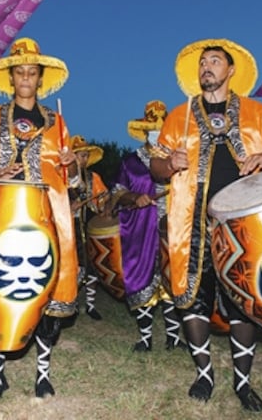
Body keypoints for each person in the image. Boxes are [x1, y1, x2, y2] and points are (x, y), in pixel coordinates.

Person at [149, 38, 262, 412]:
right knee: (192, 300)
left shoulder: (256, 112)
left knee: (243, 303)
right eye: (203, 62)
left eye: (215, 61)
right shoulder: (178, 116)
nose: (207, 67)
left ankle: (243, 381)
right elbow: (154, 168)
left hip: (242, 225)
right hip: (191, 223)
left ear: (230, 71)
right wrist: (169, 164)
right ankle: (204, 373)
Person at [0, 37, 79, 399]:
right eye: (20, 73)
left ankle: (43, 372)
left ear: (39, 79)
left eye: (32, 73)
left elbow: (73, 176)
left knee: (47, 288)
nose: (26, 78)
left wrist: (70, 162)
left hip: (51, 214)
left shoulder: (56, 120)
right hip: (2, 214)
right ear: (11, 79)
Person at [111, 100, 184, 352]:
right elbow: (117, 193)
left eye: (161, 128)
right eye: (152, 128)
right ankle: (145, 338)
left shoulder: (177, 160)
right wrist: (135, 198)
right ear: (145, 131)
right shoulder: (131, 162)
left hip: (173, 229)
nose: (157, 133)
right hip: (141, 228)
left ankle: (174, 337)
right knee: (142, 278)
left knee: (172, 279)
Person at [68, 135, 110, 321]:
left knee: (92, 266)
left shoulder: (94, 178)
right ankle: (73, 304)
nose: (83, 159)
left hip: (89, 227)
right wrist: (69, 206)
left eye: (85, 155)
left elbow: (103, 200)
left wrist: (104, 206)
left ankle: (91, 305)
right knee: (74, 267)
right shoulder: (61, 176)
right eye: (79, 155)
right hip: (70, 229)